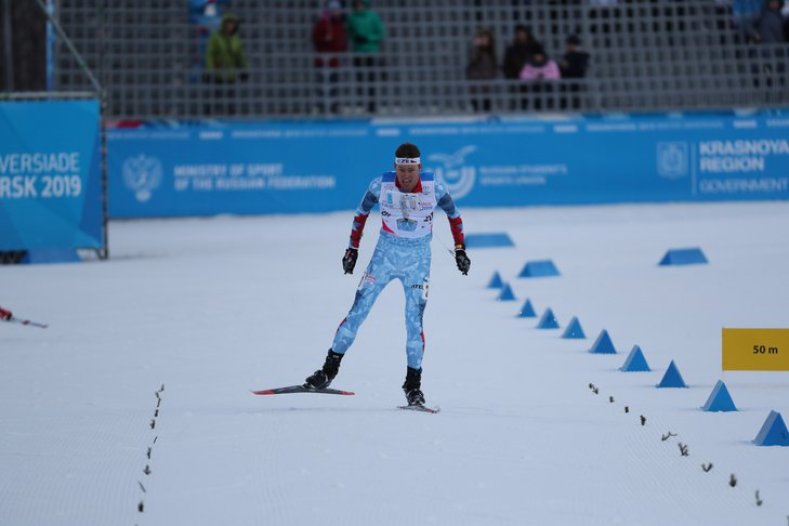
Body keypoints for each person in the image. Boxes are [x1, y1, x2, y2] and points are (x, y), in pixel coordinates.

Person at [303, 142, 471, 407]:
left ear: (420, 168)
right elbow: (360, 214)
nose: (406, 177)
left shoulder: (434, 187)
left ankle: (413, 387)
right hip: (384, 255)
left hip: (418, 260)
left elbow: (455, 216)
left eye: (412, 171)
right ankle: (328, 371)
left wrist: (460, 250)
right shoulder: (379, 186)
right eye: (402, 171)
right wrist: (352, 250)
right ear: (395, 168)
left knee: (414, 324)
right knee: (357, 312)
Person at [204, 13, 248, 115]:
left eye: (233, 24)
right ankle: (209, 115)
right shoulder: (216, 36)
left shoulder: (236, 38)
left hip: (230, 74)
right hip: (218, 73)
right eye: (229, 23)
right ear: (224, 24)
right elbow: (210, 53)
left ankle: (230, 117)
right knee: (214, 96)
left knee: (230, 97)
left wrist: (244, 69)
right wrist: (209, 71)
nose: (231, 26)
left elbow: (240, 55)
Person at [347, 0, 385, 113]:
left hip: (371, 51)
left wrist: (368, 38)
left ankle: (372, 105)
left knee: (371, 79)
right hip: (358, 51)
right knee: (360, 79)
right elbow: (349, 33)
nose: (358, 7)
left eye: (360, 4)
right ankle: (363, 103)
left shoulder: (373, 16)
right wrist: (355, 38)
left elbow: (381, 33)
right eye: (356, 4)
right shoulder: (352, 18)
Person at [312, 0, 349, 114]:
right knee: (322, 85)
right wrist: (324, 40)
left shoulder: (339, 25)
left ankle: (334, 106)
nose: (336, 12)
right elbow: (315, 38)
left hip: (335, 60)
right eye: (334, 10)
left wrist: (343, 47)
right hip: (323, 60)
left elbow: (342, 40)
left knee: (334, 85)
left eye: (338, 10)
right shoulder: (323, 23)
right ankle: (322, 106)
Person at [519, 44, 561, 110]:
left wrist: (545, 77)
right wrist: (534, 77)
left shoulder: (550, 63)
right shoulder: (529, 64)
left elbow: (556, 74)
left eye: (539, 55)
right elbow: (523, 76)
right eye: (536, 56)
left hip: (548, 87)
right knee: (537, 103)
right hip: (534, 87)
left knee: (549, 101)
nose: (538, 57)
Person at [466, 28, 498, 112]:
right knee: (477, 108)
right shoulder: (474, 50)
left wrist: (492, 77)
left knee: (487, 107)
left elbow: (494, 67)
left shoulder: (490, 52)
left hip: (487, 86)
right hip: (476, 85)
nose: (485, 41)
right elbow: (472, 59)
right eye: (482, 38)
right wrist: (476, 47)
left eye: (486, 39)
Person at [558, 35, 590, 110]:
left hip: (577, 80)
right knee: (564, 98)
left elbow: (581, 69)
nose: (569, 46)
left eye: (571, 45)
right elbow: (562, 68)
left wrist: (568, 67)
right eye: (568, 45)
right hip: (565, 80)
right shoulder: (566, 55)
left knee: (576, 98)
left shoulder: (582, 56)